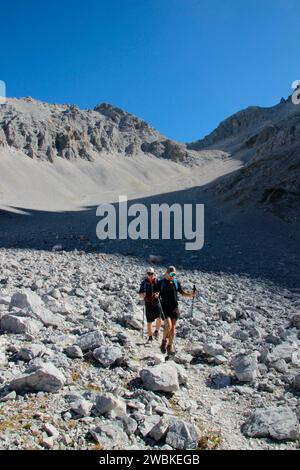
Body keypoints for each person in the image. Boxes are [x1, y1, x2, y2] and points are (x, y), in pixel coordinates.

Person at [158, 266, 197, 355]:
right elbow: (156, 292)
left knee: (173, 327)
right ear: (167, 273)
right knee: (168, 325)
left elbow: (182, 292)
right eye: (171, 274)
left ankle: (170, 345)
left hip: (174, 307)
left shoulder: (176, 282)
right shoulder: (161, 283)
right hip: (165, 307)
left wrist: (191, 295)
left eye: (174, 274)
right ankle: (163, 342)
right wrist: (156, 295)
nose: (173, 276)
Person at [138, 268, 162, 344]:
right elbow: (140, 293)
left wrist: (158, 294)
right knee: (149, 322)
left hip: (156, 302)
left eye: (151, 273)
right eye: (149, 274)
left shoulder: (157, 281)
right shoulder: (144, 283)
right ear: (147, 274)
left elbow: (161, 291)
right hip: (148, 304)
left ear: (154, 273)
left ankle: (156, 331)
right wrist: (142, 295)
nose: (150, 275)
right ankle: (150, 337)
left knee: (159, 318)